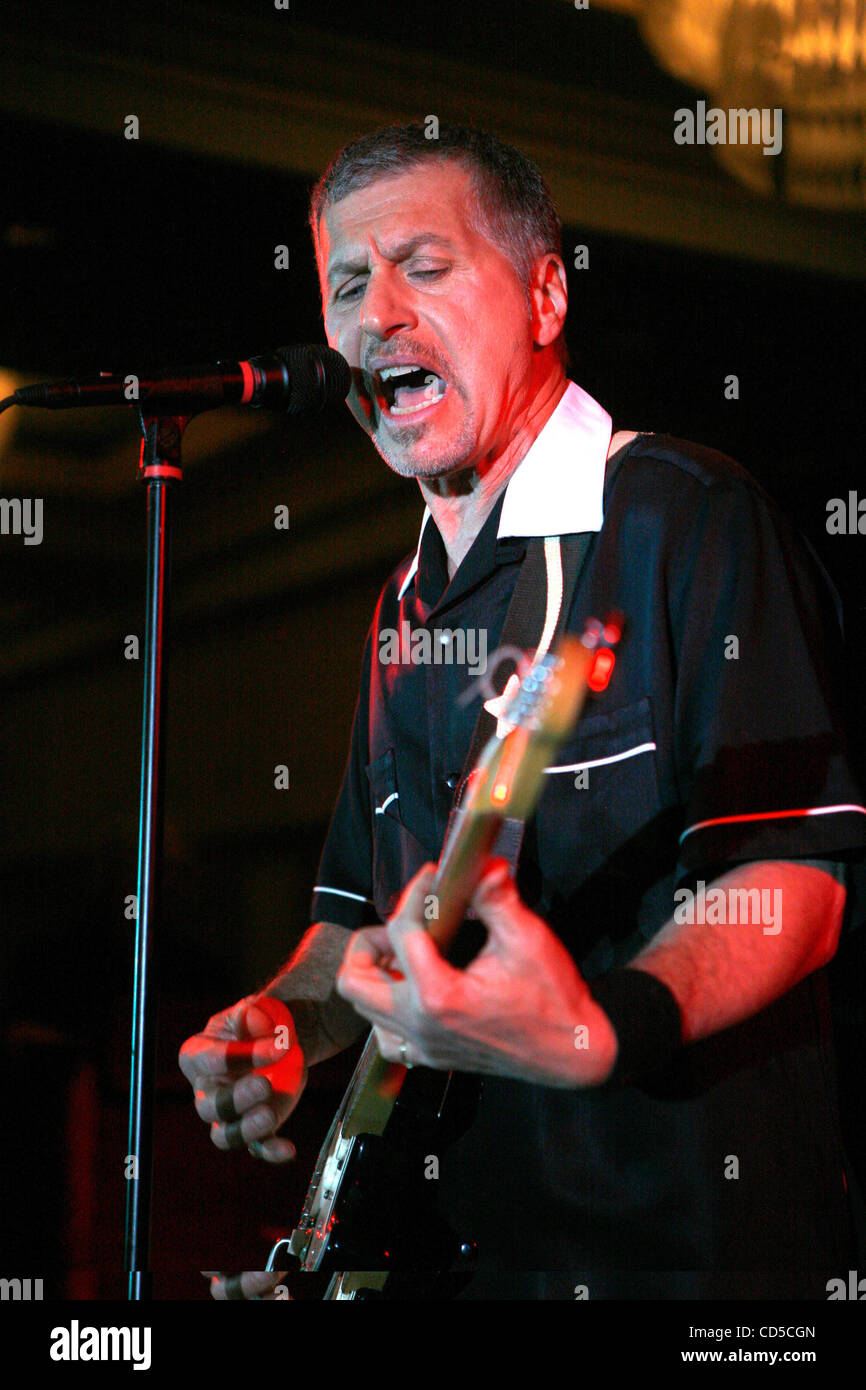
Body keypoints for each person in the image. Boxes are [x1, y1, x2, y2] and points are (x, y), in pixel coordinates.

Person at [180, 124, 866, 1300]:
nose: (371, 315)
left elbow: (792, 878)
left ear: (545, 293)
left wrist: (598, 1029)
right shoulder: (400, 608)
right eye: (347, 282)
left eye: (422, 266)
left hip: (687, 1263)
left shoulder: (680, 517)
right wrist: (288, 1024)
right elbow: (359, 928)